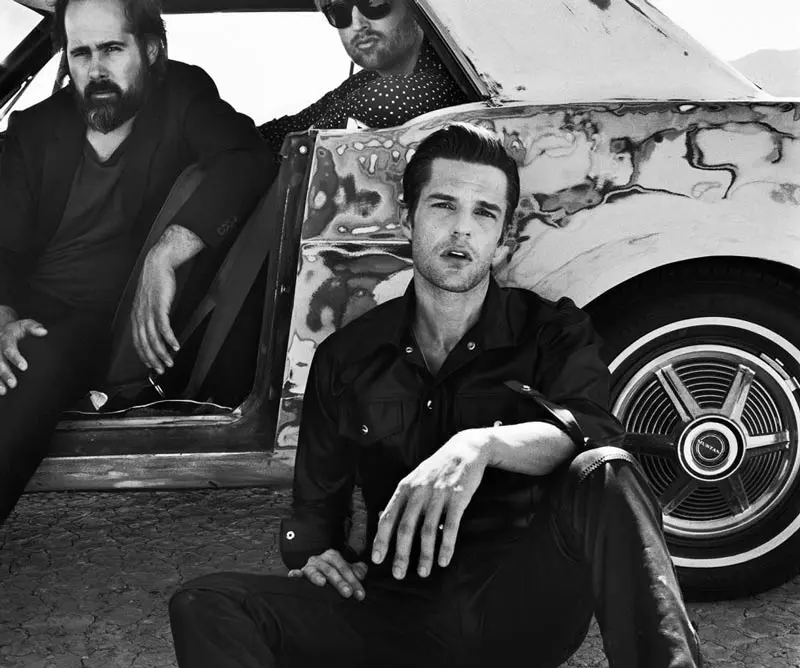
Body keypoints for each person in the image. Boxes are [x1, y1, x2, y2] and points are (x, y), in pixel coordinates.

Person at [168, 124, 703, 668]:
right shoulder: (347, 358)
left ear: (504, 239)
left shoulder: (553, 333)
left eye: (484, 213)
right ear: (408, 218)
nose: (461, 229)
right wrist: (316, 555)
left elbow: (591, 430)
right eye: (444, 205)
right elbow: (316, 514)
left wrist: (481, 446)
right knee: (207, 603)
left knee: (607, 468)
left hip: (519, 609)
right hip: (395, 609)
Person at [0, 0, 274, 524]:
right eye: (80, 53)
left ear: (150, 50)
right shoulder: (35, 128)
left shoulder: (183, 95)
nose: (95, 69)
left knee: (30, 364)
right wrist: (3, 316)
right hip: (30, 306)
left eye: (112, 49)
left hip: (104, 320)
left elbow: (246, 157)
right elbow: (4, 249)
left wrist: (166, 252)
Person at [258, 0, 467, 156]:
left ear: (415, 7)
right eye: (339, 11)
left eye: (373, 3)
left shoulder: (453, 69)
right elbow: (291, 127)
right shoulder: (366, 80)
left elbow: (383, 99)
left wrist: (302, 144)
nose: (357, 25)